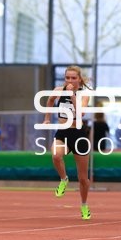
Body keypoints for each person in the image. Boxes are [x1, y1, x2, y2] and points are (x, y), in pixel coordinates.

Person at [42, 66, 93, 220]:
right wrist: (47, 118)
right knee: (56, 155)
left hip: (78, 135)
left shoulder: (84, 95)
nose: (70, 81)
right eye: (67, 78)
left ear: (79, 79)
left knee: (83, 178)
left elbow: (81, 113)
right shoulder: (59, 90)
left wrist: (71, 96)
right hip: (63, 132)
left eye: (73, 78)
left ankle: (84, 205)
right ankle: (64, 179)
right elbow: (50, 100)